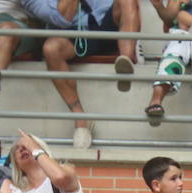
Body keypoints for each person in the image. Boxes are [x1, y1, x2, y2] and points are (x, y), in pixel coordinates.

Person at [26, 0, 139, 149]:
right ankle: (80, 118)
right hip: (69, 34)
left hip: (104, 27)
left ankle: (126, 60)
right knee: (51, 48)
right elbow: (63, 18)